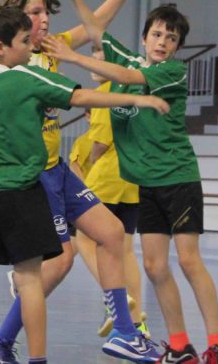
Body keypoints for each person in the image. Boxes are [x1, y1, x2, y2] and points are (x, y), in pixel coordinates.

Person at [0, 5, 171, 364]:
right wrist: (135, 97)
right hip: (20, 194)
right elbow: (81, 97)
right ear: (1, 47)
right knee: (30, 282)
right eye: (25, 41)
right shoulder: (27, 78)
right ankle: (35, 359)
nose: (31, 47)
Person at [44, 0, 218, 364]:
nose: (163, 42)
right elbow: (95, 30)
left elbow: (126, 77)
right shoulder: (132, 61)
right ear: (145, 37)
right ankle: (180, 345)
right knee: (153, 266)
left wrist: (73, 58)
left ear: (177, 47)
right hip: (146, 185)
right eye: (157, 34)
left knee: (188, 260)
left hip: (178, 178)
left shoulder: (171, 73)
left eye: (171, 38)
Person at [0, 0, 163, 364]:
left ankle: (123, 332)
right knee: (60, 261)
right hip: (33, 177)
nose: (44, 19)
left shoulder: (52, 47)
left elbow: (96, 22)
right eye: (35, 12)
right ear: (15, 19)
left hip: (58, 169)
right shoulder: (10, 64)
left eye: (47, 11)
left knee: (112, 233)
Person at [68, 63, 153, 341]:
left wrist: (94, 160)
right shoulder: (136, 91)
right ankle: (138, 324)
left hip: (106, 179)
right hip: (132, 180)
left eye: (98, 52)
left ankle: (114, 296)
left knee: (84, 238)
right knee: (126, 250)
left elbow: (101, 143)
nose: (93, 59)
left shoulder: (105, 93)